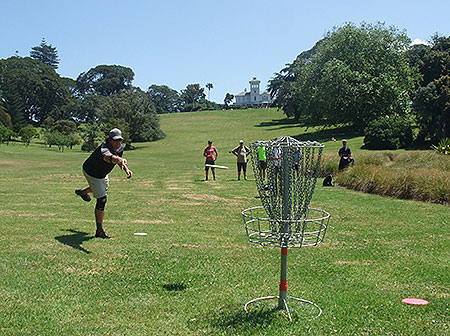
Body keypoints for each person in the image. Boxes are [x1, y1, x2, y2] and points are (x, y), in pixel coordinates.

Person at [75, 128, 132, 239]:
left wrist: (126, 169)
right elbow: (109, 158)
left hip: (102, 174)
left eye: (120, 140)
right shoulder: (104, 149)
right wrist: (119, 160)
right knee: (102, 198)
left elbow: (119, 160)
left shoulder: (120, 148)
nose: (118, 143)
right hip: (91, 173)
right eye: (115, 140)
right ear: (109, 140)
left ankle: (83, 192)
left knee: (103, 188)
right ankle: (99, 231)